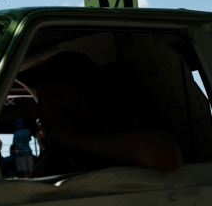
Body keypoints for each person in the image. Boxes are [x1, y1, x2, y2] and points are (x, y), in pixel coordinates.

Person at [16, 52, 183, 178]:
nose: (38, 112)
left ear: (71, 100)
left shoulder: (122, 135)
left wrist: (76, 140)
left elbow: (166, 154)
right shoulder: (55, 155)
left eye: (43, 100)